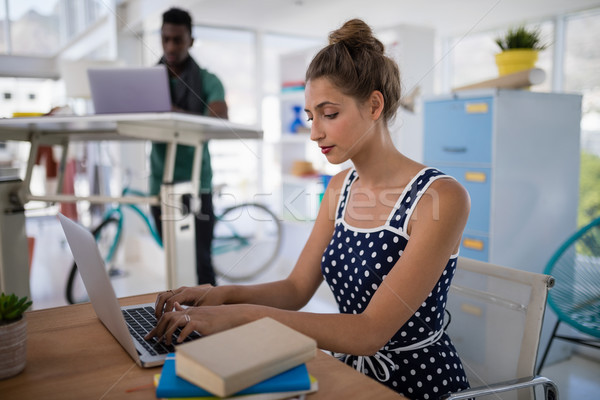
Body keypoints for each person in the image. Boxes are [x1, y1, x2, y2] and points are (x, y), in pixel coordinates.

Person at [146, 18, 471, 399]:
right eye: (310, 117)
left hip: (417, 386)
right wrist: (222, 295)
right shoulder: (339, 188)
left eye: (329, 114)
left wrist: (241, 316)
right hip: (348, 373)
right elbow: (296, 288)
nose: (315, 132)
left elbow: (369, 332)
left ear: (374, 104)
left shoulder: (440, 198)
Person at [149, 7, 228, 286]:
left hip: (197, 185)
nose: (170, 46)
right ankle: (181, 321)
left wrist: (173, 113)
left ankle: (213, 325)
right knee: (174, 260)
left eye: (178, 40)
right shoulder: (148, 81)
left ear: (191, 41)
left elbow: (218, 119)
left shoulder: (208, 80)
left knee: (201, 263)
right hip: (160, 184)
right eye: (165, 38)